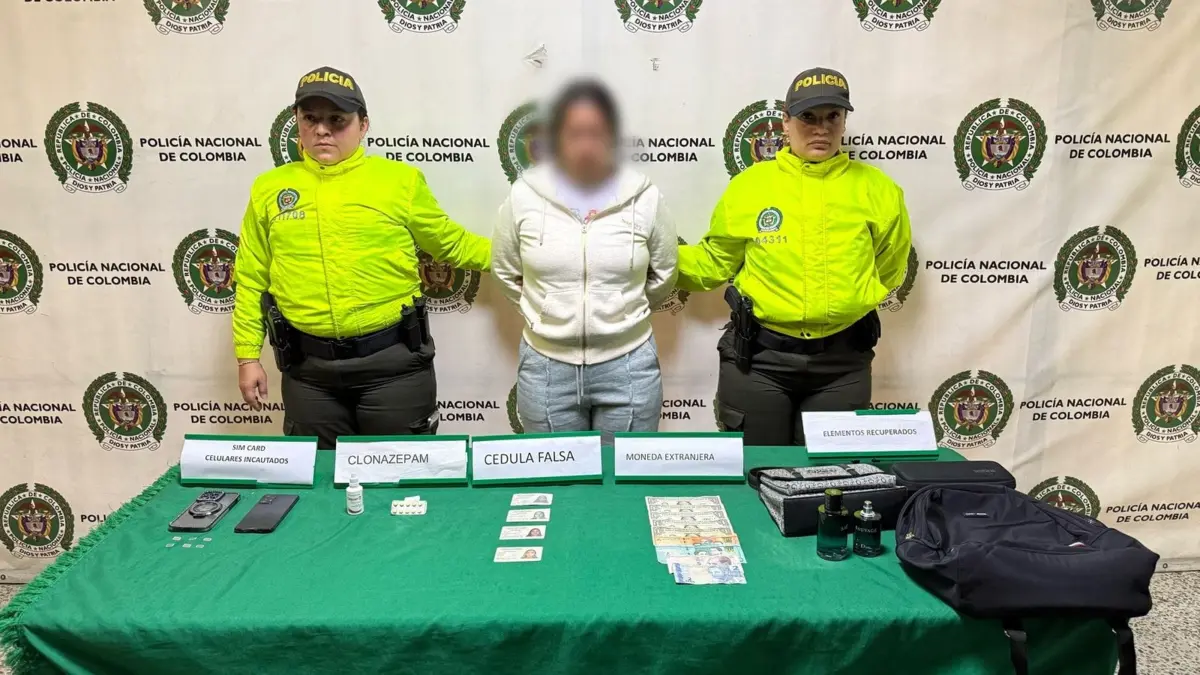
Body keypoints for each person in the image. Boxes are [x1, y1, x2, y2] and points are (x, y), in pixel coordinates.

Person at [233, 66, 490, 449]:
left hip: (393, 368)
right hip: (308, 375)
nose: (322, 130)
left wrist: (527, 255)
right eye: (311, 119)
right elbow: (252, 277)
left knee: (402, 477)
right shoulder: (269, 189)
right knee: (321, 480)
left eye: (337, 120)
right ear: (297, 122)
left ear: (363, 125)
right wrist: (247, 357)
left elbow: (452, 244)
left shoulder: (399, 182)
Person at [677, 67, 912, 446]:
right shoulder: (750, 187)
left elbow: (889, 267)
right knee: (757, 470)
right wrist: (649, 256)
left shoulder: (879, 190)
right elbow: (714, 262)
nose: (822, 129)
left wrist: (847, 301)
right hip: (759, 362)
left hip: (843, 364)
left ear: (844, 121)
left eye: (832, 116)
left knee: (829, 474)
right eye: (808, 117)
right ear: (785, 122)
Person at [491, 79, 678, 434]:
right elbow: (505, 270)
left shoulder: (645, 196)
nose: (586, 144)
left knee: (624, 470)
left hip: (629, 364)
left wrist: (620, 313)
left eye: (596, 132)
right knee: (555, 469)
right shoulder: (523, 196)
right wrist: (546, 314)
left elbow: (664, 272)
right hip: (545, 368)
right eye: (575, 133)